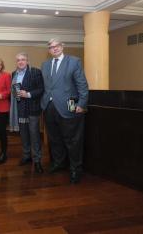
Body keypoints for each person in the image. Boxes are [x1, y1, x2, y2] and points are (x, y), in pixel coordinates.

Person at [41, 39, 89, 184]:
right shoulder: (45, 64)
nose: (54, 49)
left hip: (70, 106)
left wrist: (81, 103)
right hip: (49, 107)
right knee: (54, 138)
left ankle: (75, 169)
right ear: (49, 50)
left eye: (57, 46)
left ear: (62, 47)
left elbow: (82, 85)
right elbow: (47, 87)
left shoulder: (74, 61)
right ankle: (58, 163)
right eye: (51, 47)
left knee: (73, 140)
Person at [10, 52, 44, 173]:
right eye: (18, 60)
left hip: (33, 109)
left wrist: (28, 94)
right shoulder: (14, 74)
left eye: (23, 59)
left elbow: (41, 89)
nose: (20, 62)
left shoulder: (35, 72)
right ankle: (26, 156)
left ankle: (37, 160)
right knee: (23, 135)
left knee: (34, 135)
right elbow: (14, 91)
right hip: (20, 109)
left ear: (27, 61)